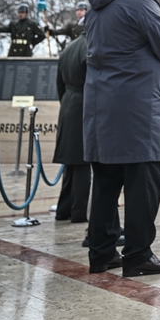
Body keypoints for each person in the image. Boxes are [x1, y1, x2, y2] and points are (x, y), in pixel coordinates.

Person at [84, 0, 160, 276]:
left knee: (107, 183)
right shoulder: (138, 1)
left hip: (102, 107)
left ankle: (101, 253)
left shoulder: (98, 5)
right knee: (145, 181)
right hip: (138, 108)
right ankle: (138, 255)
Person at [53, 33, 90, 223]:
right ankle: (78, 213)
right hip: (84, 106)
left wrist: (67, 101)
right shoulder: (91, 47)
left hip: (68, 104)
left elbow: (59, 83)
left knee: (70, 165)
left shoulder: (68, 48)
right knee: (83, 164)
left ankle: (63, 210)